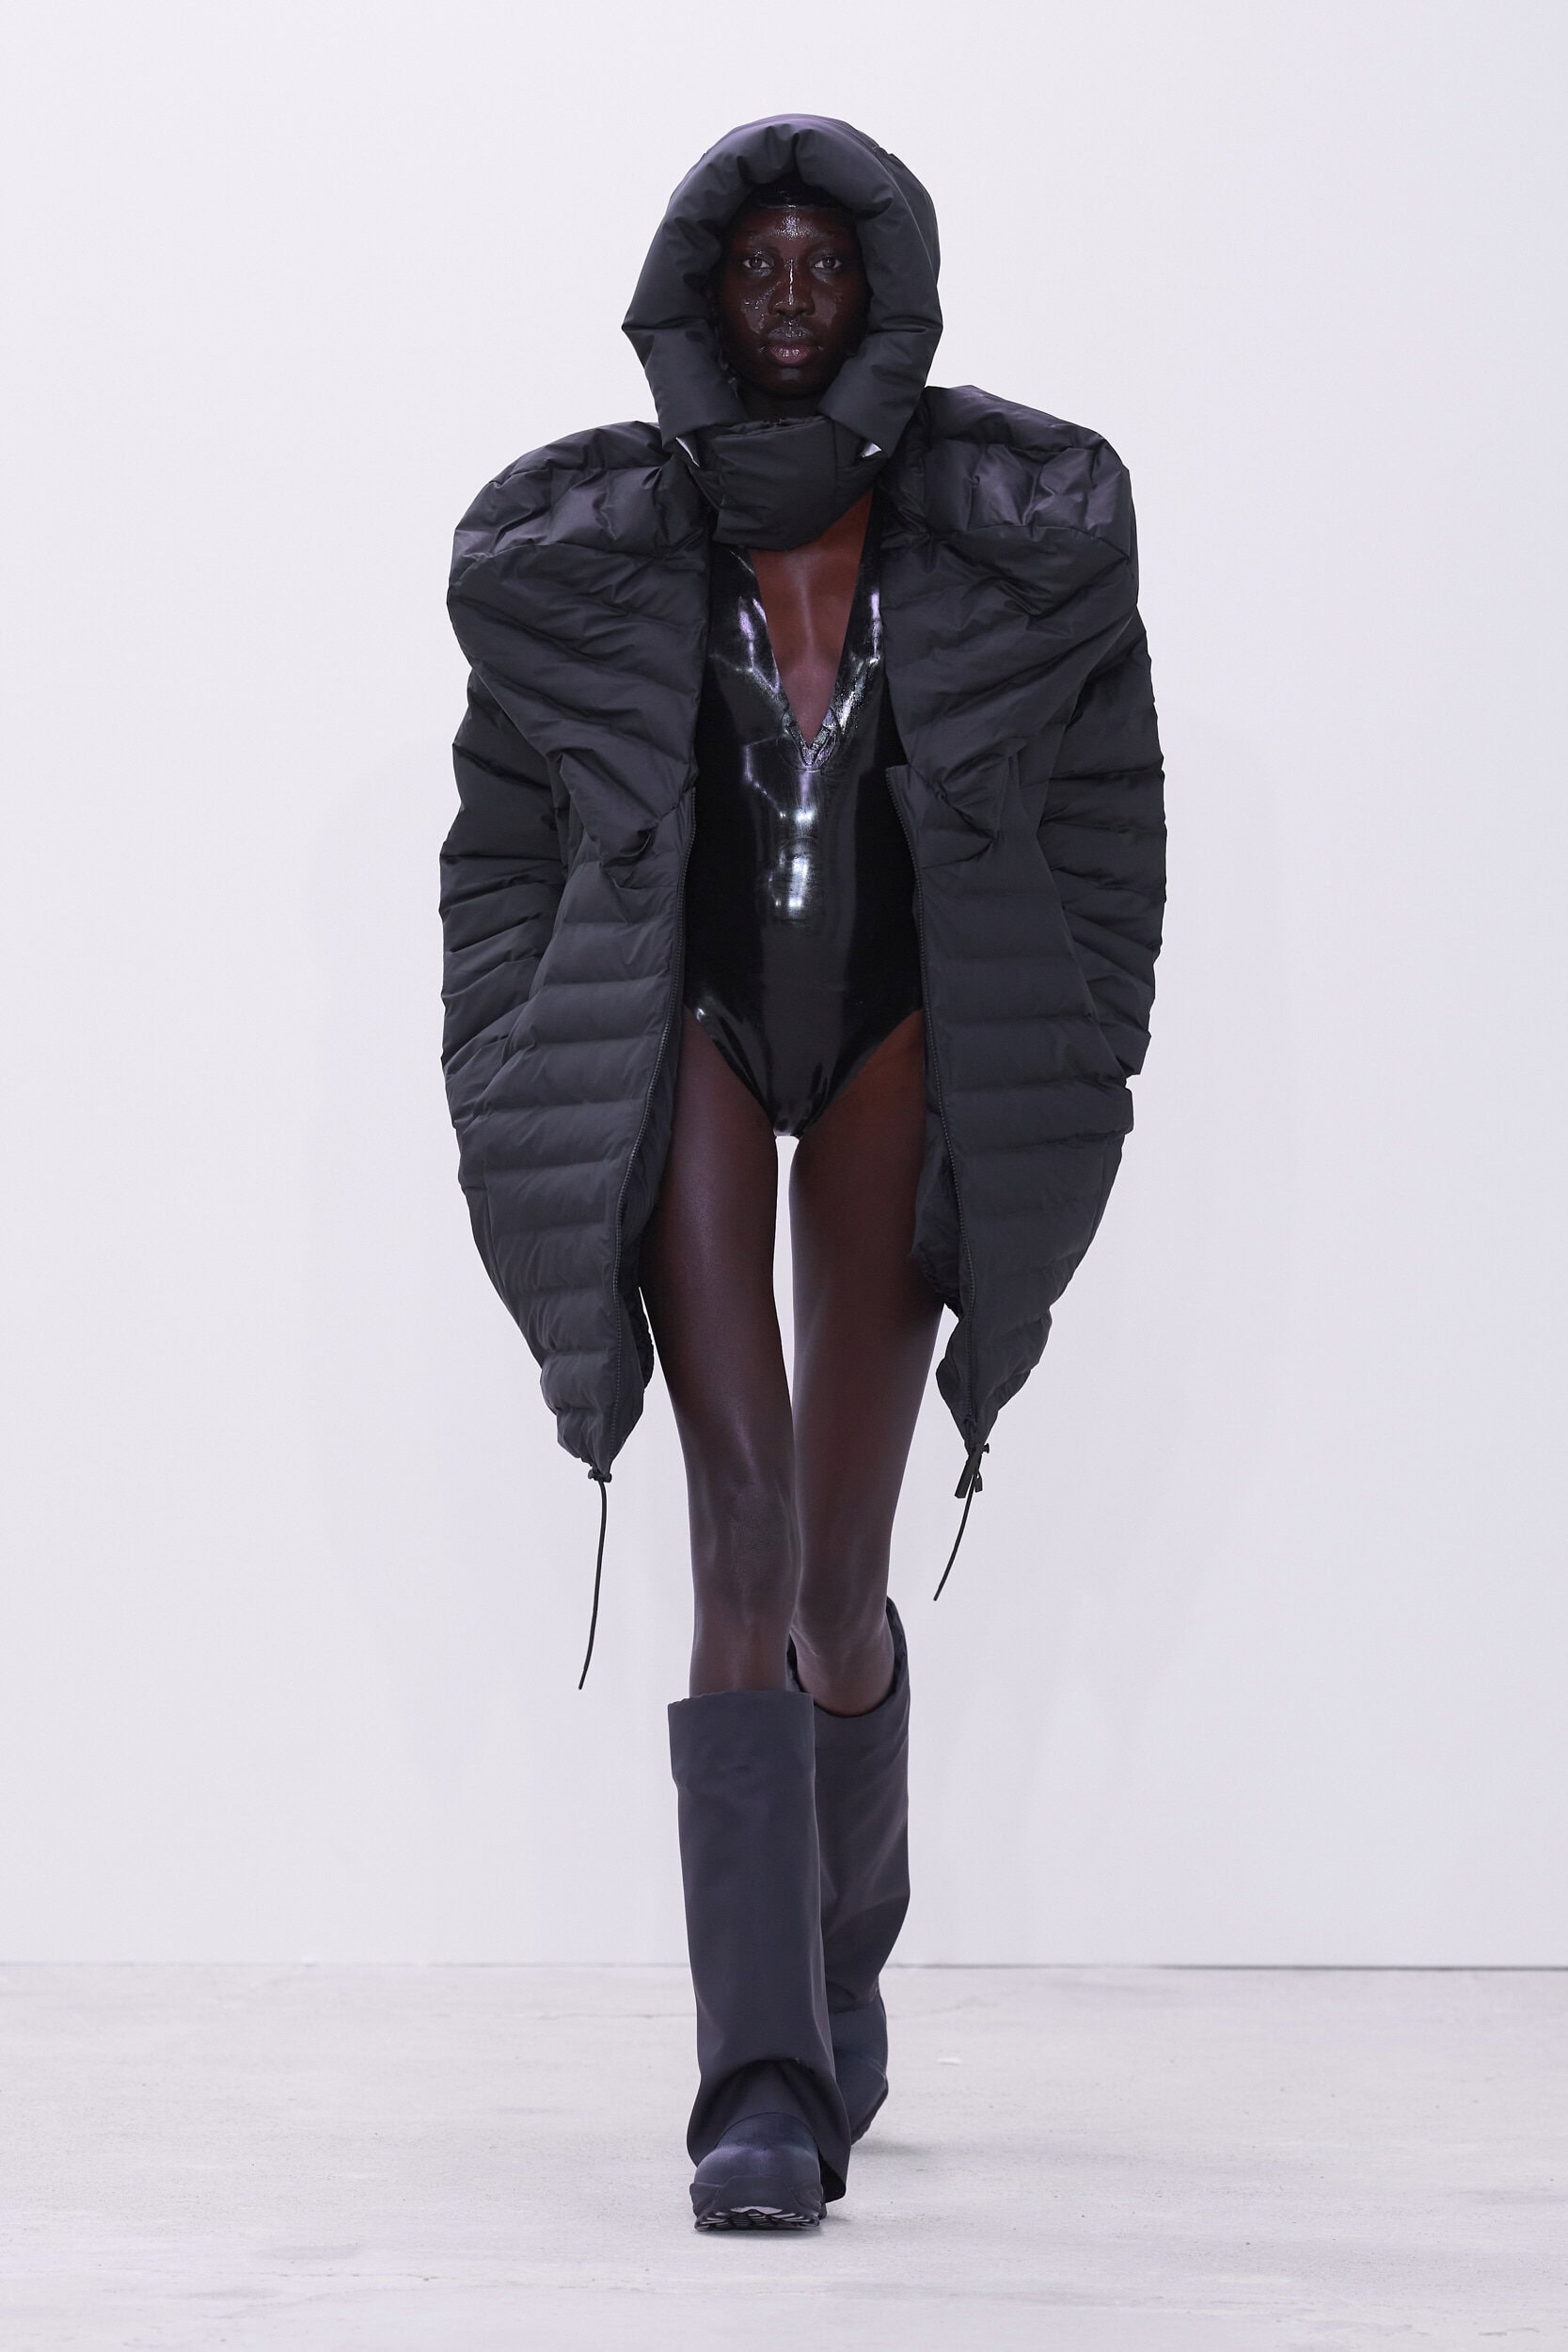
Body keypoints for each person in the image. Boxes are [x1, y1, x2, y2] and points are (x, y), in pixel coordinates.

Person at [441, 116, 1164, 2229]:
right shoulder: (597, 545)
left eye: (818, 266)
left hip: (896, 1036)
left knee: (841, 1583)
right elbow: (502, 851)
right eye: (750, 264)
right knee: (740, 1526)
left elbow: (1108, 831)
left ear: (878, 292)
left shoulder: (1008, 532)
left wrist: (1068, 1036)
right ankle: (755, 2078)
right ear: (701, 286)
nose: (783, 298)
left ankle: (837, 1977)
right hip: (686, 1025)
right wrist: (521, 1045)